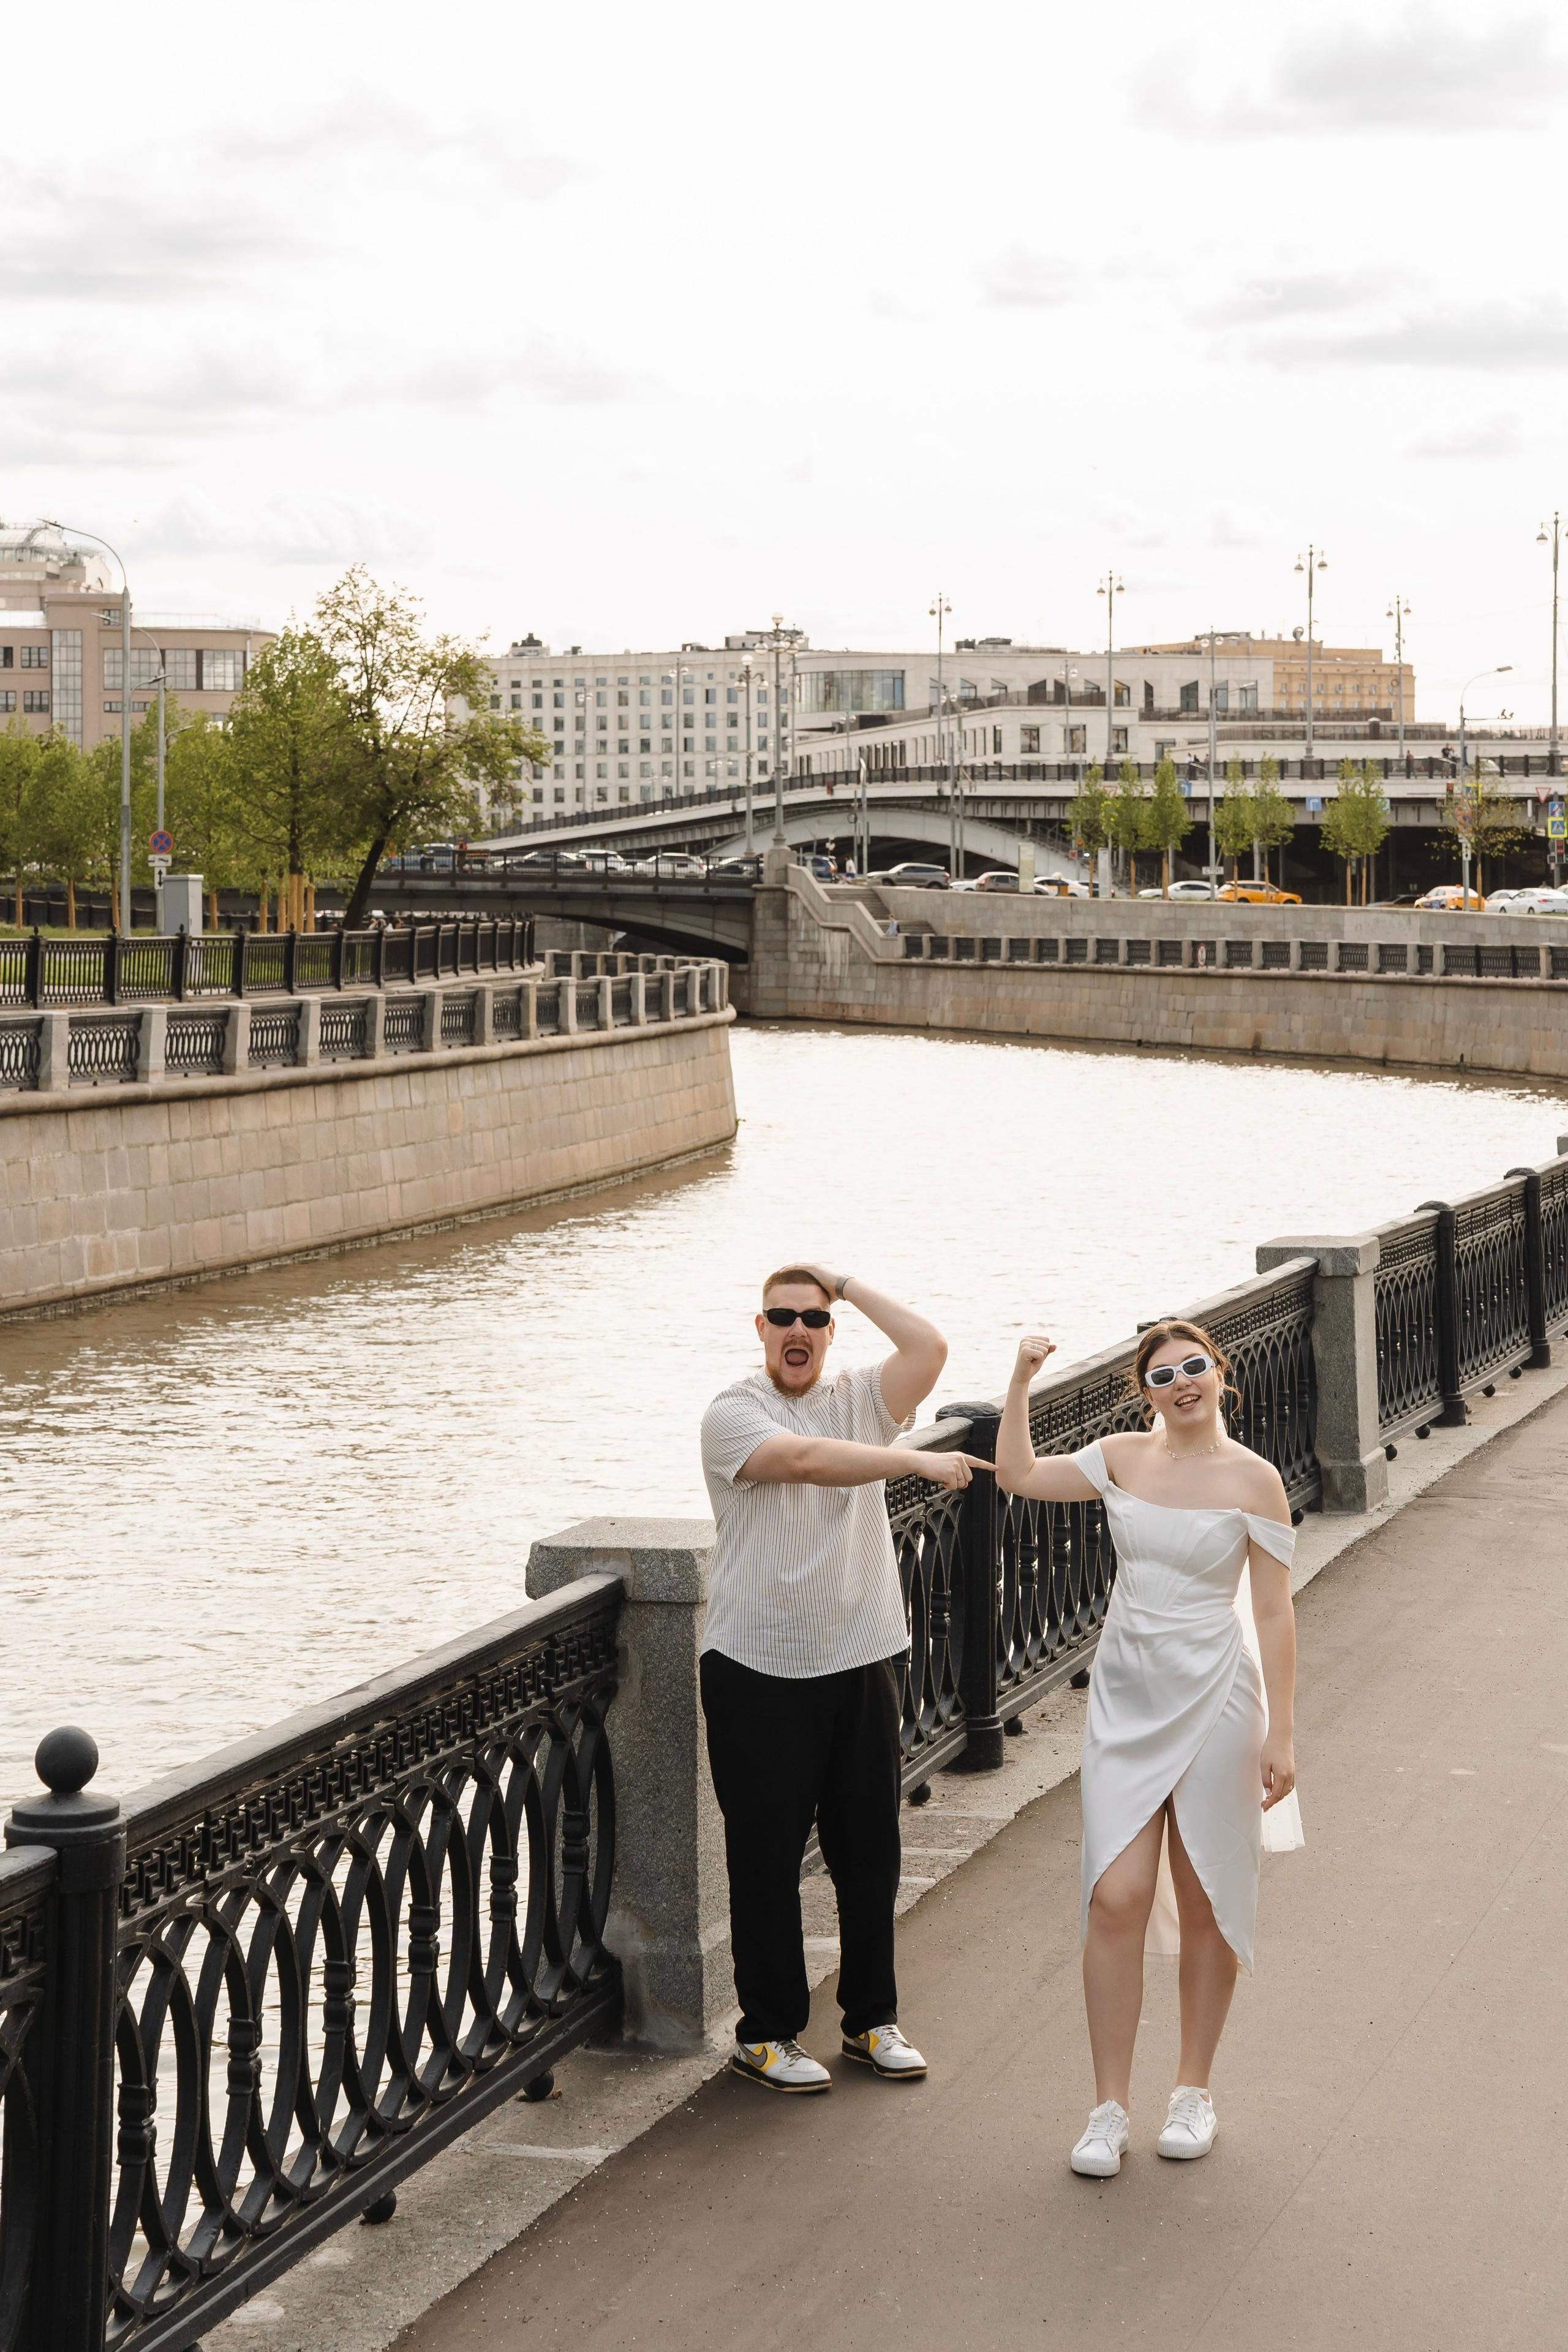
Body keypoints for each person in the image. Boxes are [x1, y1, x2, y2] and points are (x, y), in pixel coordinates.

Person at [994, 1318, 1301, 2176]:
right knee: (1116, 1896)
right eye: (1164, 1375)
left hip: (1218, 1699)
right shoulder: (1123, 1457)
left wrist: (1283, 1730)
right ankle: (1107, 2110)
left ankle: (1193, 2092)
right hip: (1127, 1701)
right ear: (1146, 1391)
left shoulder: (1256, 1479)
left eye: (1195, 1367)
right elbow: (1016, 1474)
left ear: (1221, 1372)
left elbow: (1273, 1610)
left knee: (1206, 1898)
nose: (1183, 1383)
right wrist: (1020, 1378)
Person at [699, 1264, 989, 2094]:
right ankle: (766, 2034)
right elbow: (805, 1461)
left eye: (815, 1319)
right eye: (782, 1318)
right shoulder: (734, 1412)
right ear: (759, 1329)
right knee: (765, 1858)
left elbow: (929, 1346)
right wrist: (915, 1465)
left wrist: (851, 1285)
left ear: (831, 1330)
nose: (799, 1331)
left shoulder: (864, 1396)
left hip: (861, 1656)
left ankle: (870, 2021)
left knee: (870, 1854)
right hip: (758, 1666)